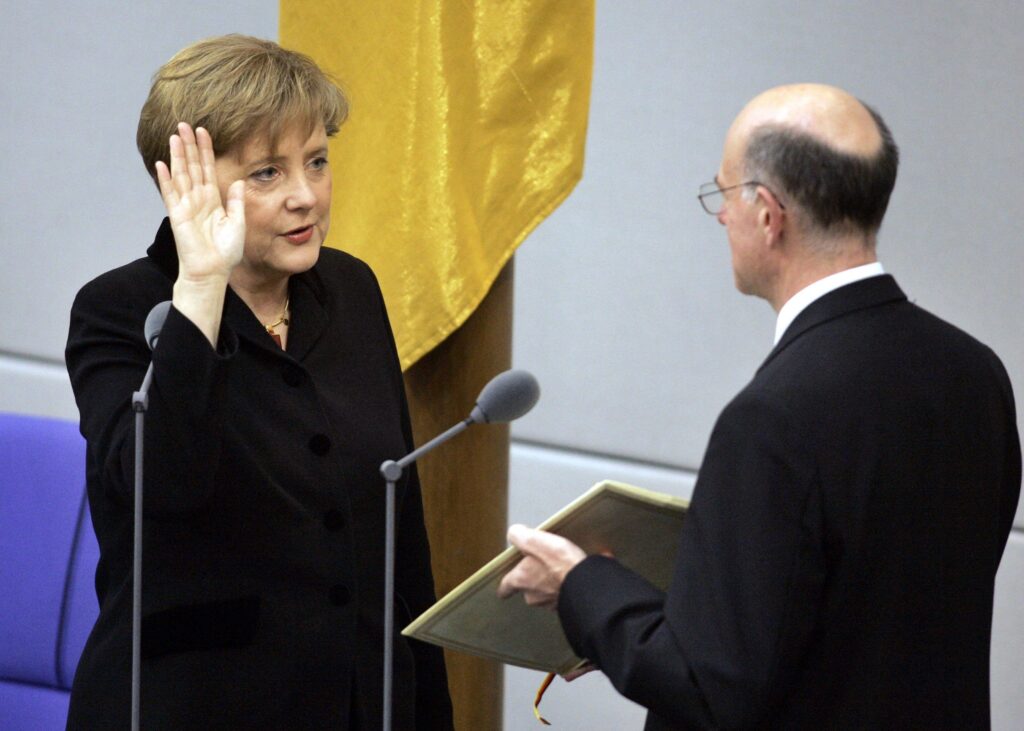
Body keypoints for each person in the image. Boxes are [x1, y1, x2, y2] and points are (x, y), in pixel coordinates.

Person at [498, 83, 1021, 729]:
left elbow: (710, 686)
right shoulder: (976, 372)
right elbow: (864, 608)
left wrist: (582, 585)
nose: (720, 216)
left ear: (769, 215)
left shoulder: (774, 416)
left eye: (723, 193)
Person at [65, 34, 453, 729]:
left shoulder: (352, 288)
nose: (306, 196)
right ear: (183, 181)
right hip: (195, 705)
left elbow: (398, 534)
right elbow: (162, 487)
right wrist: (202, 290)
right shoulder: (118, 309)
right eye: (267, 173)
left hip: (359, 702)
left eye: (318, 161)